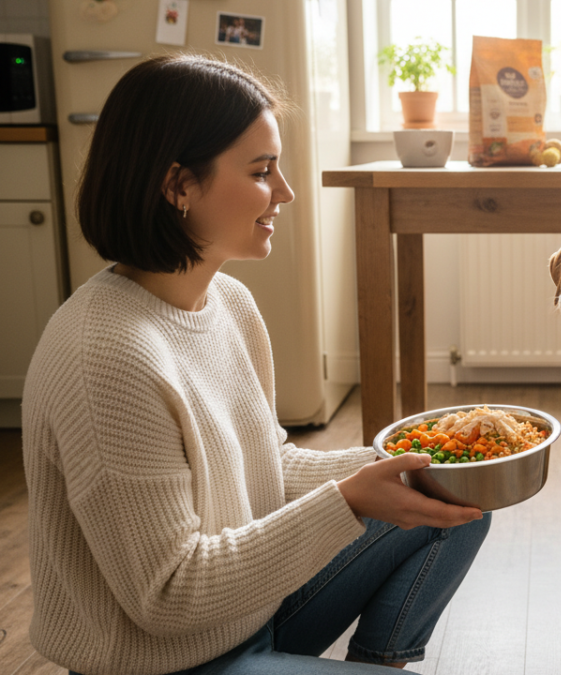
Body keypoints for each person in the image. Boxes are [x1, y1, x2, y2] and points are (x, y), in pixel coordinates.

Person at [21, 54, 490, 675]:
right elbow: (168, 594)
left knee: (456, 501)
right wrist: (348, 503)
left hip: (250, 619)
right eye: (262, 171)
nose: (286, 192)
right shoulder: (106, 358)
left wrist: (409, 463)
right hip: (163, 662)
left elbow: (269, 465)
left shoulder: (228, 302)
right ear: (178, 186)